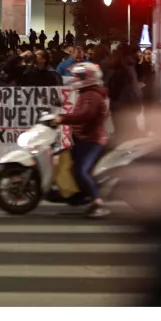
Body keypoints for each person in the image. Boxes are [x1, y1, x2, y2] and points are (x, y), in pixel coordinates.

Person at [53, 62, 110, 218]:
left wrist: (62, 119)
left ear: (89, 78)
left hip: (92, 140)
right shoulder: (86, 93)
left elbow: (84, 115)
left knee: (81, 171)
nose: (76, 79)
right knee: (66, 163)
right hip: (82, 138)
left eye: (79, 76)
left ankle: (98, 203)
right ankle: (75, 194)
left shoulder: (92, 95)